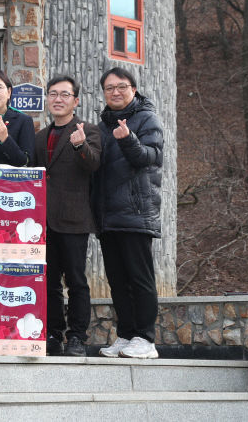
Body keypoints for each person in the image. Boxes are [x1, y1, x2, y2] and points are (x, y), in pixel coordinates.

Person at [93, 67, 163, 360]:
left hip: (135, 212)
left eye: (121, 86)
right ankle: (126, 335)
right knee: (118, 280)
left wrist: (128, 139)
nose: (116, 92)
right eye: (109, 88)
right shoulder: (102, 124)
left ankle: (146, 339)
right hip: (109, 216)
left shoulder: (147, 118)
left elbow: (151, 156)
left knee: (140, 278)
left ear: (133, 89)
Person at [34, 74, 101, 357]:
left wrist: (79, 145)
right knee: (48, 282)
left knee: (75, 281)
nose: (58, 99)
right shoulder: (39, 136)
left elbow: (94, 164)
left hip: (74, 219)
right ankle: (52, 334)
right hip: (42, 222)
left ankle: (76, 337)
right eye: (53, 94)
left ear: (75, 100)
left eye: (64, 94)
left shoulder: (89, 131)